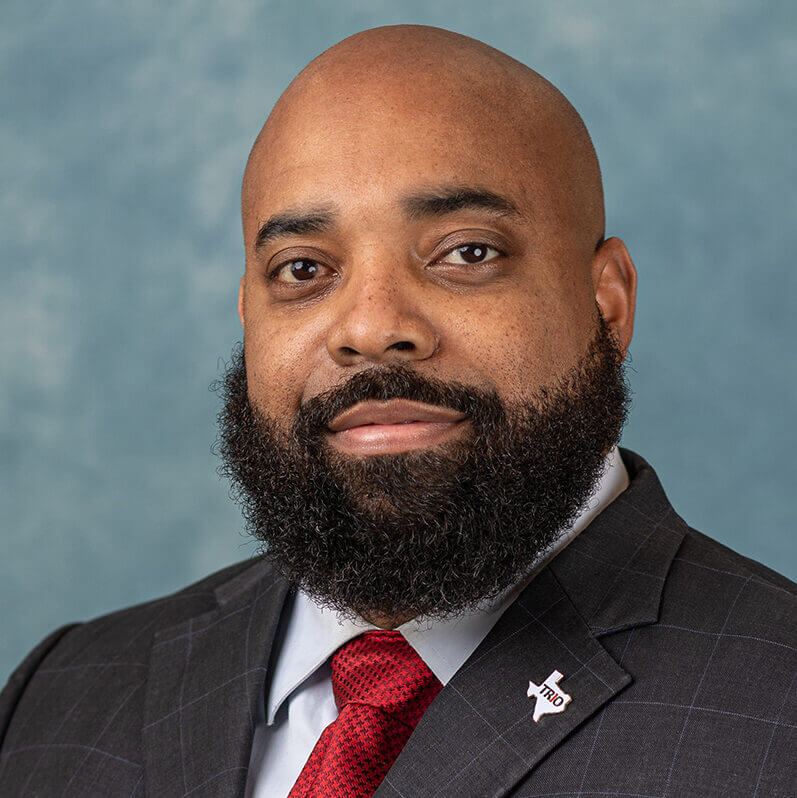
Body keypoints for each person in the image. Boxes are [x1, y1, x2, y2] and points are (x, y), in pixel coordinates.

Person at [1, 24, 793, 798]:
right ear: (247, 316)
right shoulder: (57, 701)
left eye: (467, 253)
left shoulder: (773, 707)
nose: (373, 327)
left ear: (607, 305)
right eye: (303, 269)